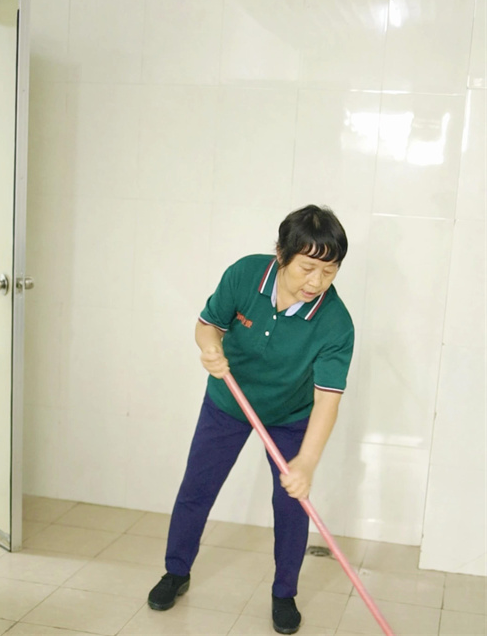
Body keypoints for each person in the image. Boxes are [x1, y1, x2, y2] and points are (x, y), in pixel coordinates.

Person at [148, 205, 354, 634]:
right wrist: (210, 348)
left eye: (329, 271)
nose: (316, 282)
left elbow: (327, 400)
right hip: (229, 401)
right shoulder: (245, 274)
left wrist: (306, 462)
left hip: (290, 414)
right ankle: (176, 572)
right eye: (307, 268)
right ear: (281, 254)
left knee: (292, 504)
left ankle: (284, 594)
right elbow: (208, 325)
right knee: (197, 488)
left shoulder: (336, 323)